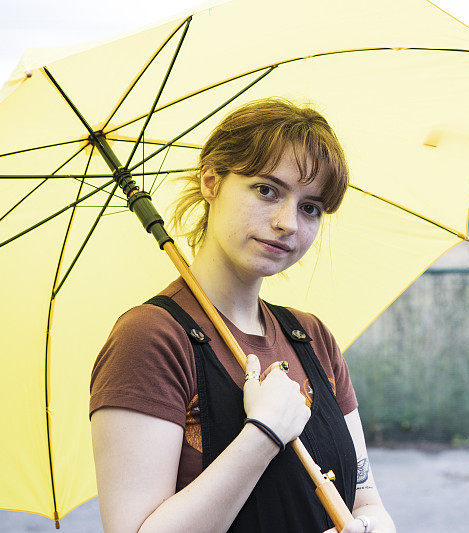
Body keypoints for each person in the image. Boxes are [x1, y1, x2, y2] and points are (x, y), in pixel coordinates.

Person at [89, 98, 395, 533]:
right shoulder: (153, 338)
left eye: (310, 207)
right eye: (267, 190)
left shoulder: (311, 337)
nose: (288, 222)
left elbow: (368, 502)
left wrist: (368, 528)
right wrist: (264, 433)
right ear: (211, 182)